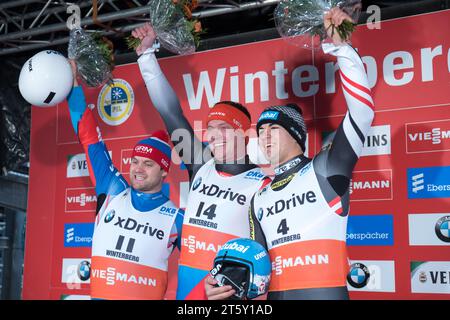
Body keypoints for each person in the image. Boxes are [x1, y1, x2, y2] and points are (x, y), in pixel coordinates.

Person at [208, 7, 375, 300]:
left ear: (297, 135)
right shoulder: (258, 197)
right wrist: (224, 288)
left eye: (274, 128)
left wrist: (342, 49)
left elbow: (361, 113)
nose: (265, 136)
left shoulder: (325, 168)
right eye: (260, 130)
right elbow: (252, 270)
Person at [132, 23, 269, 300]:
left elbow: (266, 255)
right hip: (186, 292)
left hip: (227, 294)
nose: (214, 135)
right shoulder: (201, 163)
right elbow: (170, 112)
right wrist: (146, 57)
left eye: (224, 128)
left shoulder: (263, 184)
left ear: (244, 133)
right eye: (211, 127)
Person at [66, 61, 184, 300]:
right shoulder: (112, 189)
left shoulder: (177, 218)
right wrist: (73, 86)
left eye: (148, 164)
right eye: (135, 161)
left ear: (164, 171)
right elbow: (89, 137)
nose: (138, 169)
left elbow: (200, 271)